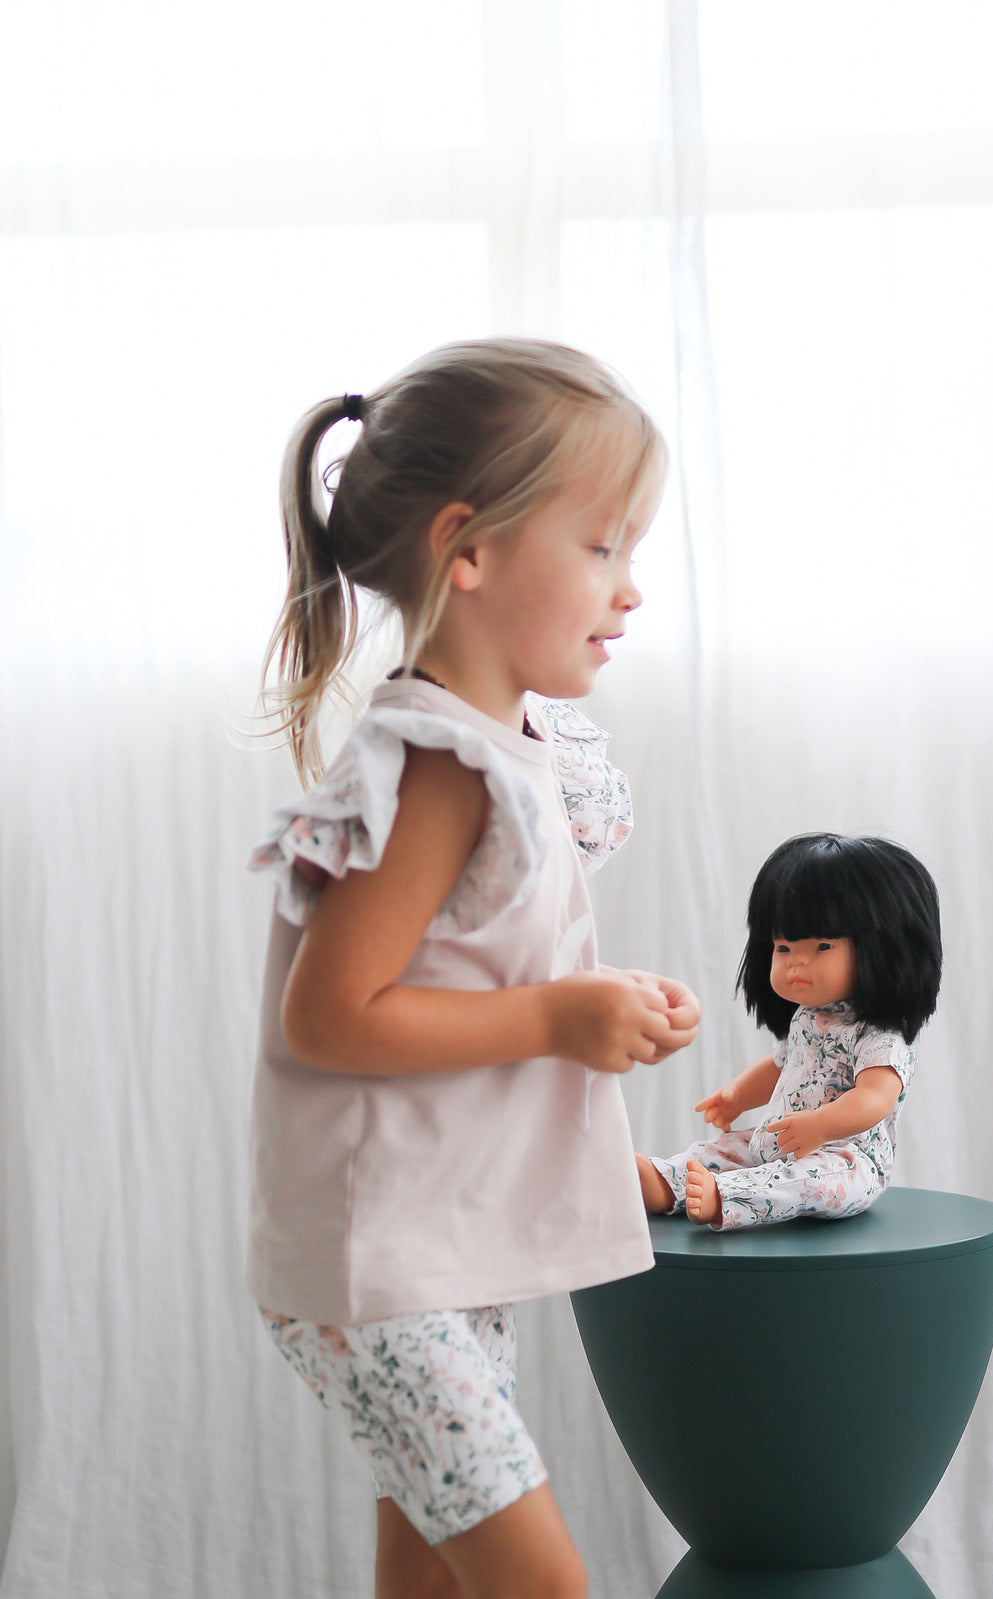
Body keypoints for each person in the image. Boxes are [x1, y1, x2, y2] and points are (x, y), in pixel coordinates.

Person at [245, 339, 701, 1599]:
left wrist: (599, 1003)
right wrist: (561, 1015)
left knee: (434, 1576)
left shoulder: (502, 746)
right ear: (472, 549)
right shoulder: (434, 762)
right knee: (539, 1586)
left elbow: (471, 959)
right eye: (603, 546)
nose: (629, 591)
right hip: (382, 1269)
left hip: (435, 1250)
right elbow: (332, 1016)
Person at [637, 833, 941, 1230]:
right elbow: (779, 1064)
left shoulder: (875, 1035)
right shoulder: (806, 1019)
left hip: (844, 1158)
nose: (796, 963)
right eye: (783, 948)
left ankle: (725, 1199)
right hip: (779, 1140)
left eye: (822, 947)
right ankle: (663, 1182)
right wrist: (736, 1096)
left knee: (806, 1182)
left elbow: (877, 1097)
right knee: (724, 1149)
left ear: (882, 948)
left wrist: (821, 1126)